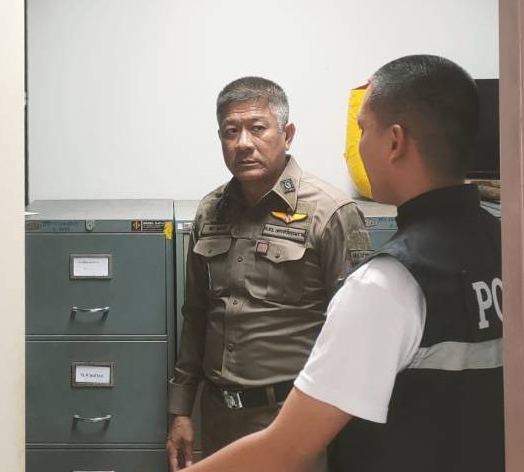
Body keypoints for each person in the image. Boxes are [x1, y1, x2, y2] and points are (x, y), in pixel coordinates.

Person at [184, 55, 504, 472]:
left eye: (362, 130)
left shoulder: (387, 283)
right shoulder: (505, 245)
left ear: (394, 142)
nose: (357, 147)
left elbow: (287, 447)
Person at [168, 77, 371, 472]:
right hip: (219, 418)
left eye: (257, 128)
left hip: (293, 422)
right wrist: (180, 411)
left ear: (287, 134)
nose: (243, 143)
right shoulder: (210, 211)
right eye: (231, 131)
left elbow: (356, 336)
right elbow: (195, 316)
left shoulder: (330, 212)